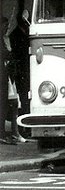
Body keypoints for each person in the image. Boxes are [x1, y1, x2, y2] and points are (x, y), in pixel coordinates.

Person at [4, 8, 30, 143]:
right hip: (14, 73)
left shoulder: (10, 37)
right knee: (15, 102)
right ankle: (17, 130)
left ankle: (19, 130)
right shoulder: (14, 36)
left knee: (18, 102)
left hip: (17, 72)